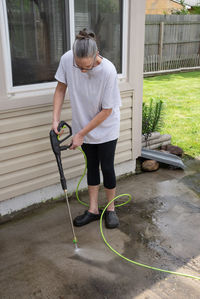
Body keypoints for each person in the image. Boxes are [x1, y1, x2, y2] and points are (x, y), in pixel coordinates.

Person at [52, 28, 121, 229]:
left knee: (107, 167)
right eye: (78, 66)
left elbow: (107, 110)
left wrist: (80, 134)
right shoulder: (67, 59)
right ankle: (92, 210)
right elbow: (60, 89)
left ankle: (110, 209)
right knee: (91, 166)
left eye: (87, 67)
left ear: (96, 55)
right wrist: (55, 119)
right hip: (84, 124)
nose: (82, 71)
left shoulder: (108, 71)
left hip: (106, 126)